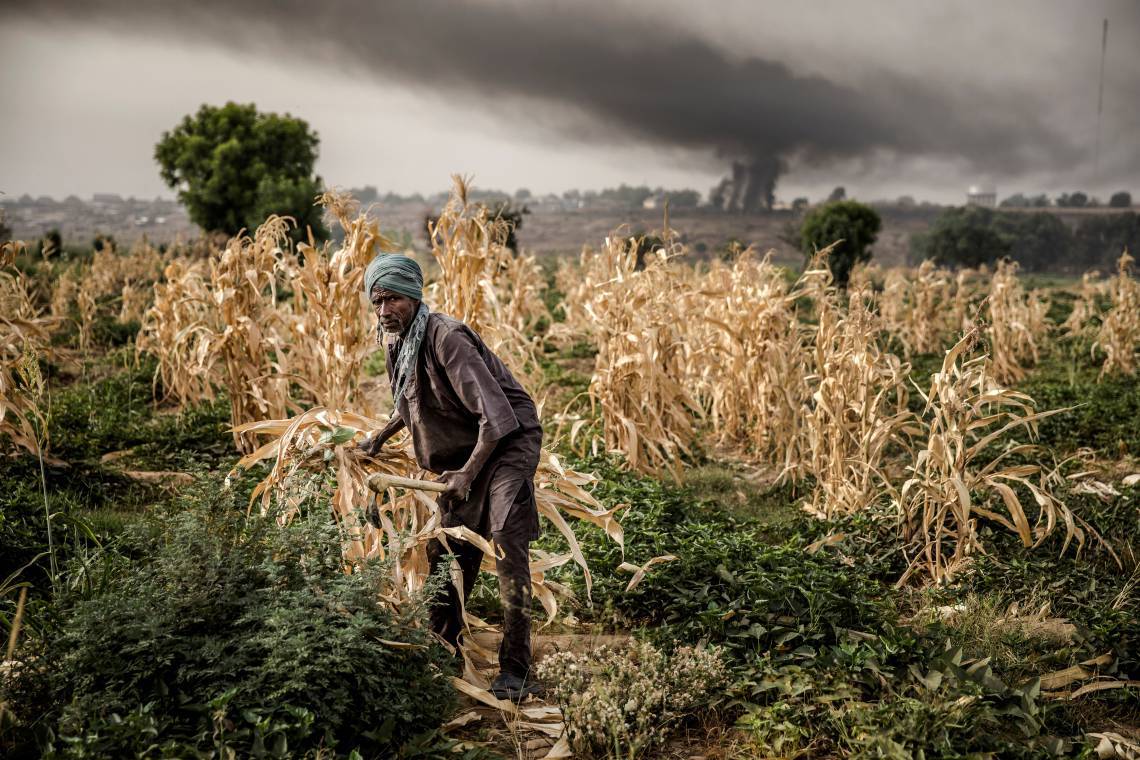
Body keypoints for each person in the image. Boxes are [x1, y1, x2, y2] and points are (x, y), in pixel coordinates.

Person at [357, 253, 544, 700]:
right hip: (464, 452)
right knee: (447, 549)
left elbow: (497, 419)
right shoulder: (397, 343)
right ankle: (443, 652)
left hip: (506, 443)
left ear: (415, 297)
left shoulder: (447, 338)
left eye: (393, 300)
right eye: (377, 302)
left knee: (503, 537)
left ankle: (517, 669)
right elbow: (410, 401)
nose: (384, 311)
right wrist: (379, 438)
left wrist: (466, 475)